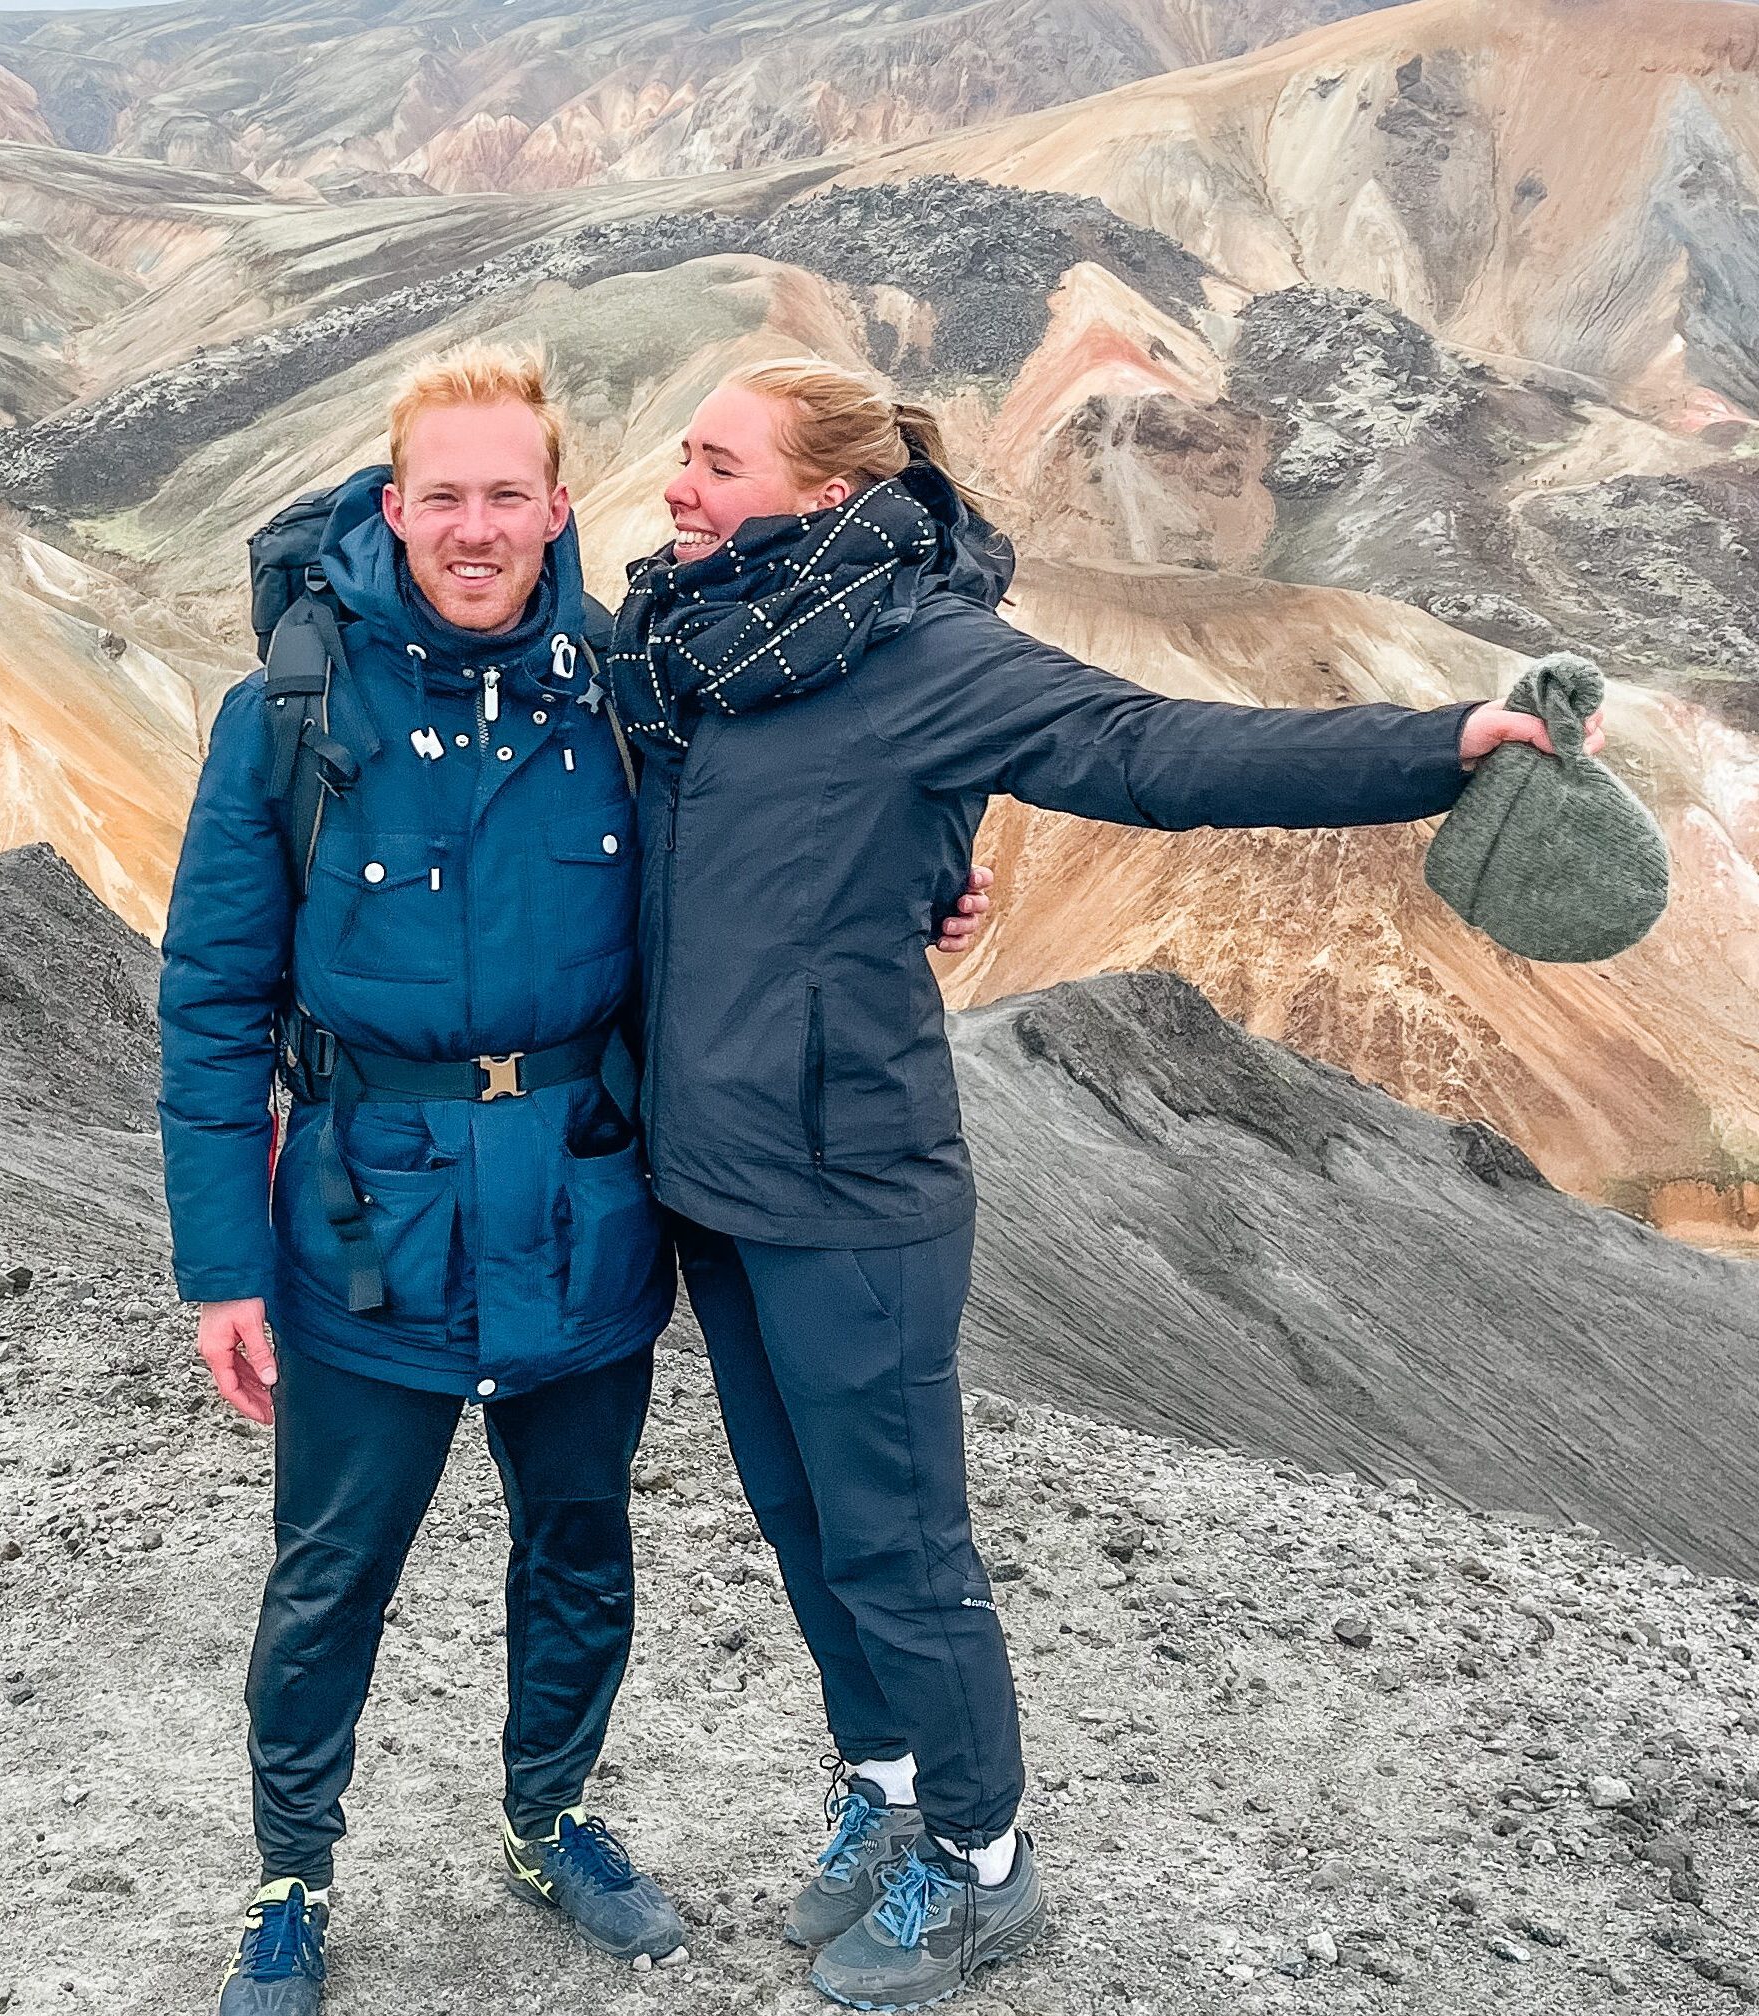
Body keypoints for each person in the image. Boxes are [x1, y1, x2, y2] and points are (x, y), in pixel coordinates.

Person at [606, 356, 1607, 2011]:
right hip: (710, 1175)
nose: (676, 492)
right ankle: (892, 1787)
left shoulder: (927, 656)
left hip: (852, 1185)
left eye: (713, 464)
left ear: (828, 497)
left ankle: (982, 1861)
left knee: (898, 1543)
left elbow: (1153, 751)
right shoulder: (691, 647)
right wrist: (928, 870)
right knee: (800, 1522)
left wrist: (1444, 744)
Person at [157, 342, 992, 2014]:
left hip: (586, 1213)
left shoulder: (639, 691)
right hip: (363, 1222)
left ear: (556, 507)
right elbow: (213, 1001)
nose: (476, 531)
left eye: (507, 497)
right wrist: (219, 1264)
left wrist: (927, 888)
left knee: (581, 1543)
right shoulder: (289, 716)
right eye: (443, 499)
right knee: (332, 1572)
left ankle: (552, 1817)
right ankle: (289, 1874)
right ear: (396, 510)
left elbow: (776, 857)